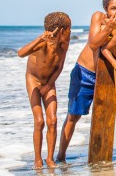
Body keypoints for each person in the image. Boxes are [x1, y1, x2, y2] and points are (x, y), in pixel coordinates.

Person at [56, 0, 116, 162]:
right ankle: (61, 156)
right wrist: (109, 27)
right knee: (73, 115)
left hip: (109, 76)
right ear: (106, 9)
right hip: (85, 73)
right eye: (113, 8)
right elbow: (94, 44)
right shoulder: (98, 17)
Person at [17, 12, 71, 168]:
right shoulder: (42, 43)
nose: (70, 32)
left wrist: (49, 85)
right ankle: (37, 159)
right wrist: (40, 38)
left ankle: (50, 158)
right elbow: (20, 53)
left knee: (52, 120)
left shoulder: (64, 46)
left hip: (49, 82)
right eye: (69, 29)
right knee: (39, 121)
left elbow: (59, 67)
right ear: (61, 30)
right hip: (33, 79)